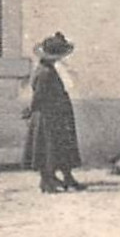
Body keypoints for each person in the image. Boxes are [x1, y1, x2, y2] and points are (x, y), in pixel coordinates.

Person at [22, 32, 85, 194]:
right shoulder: (45, 72)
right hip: (48, 115)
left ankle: (65, 177)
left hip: (58, 113)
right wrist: (31, 110)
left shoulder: (50, 69)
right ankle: (47, 180)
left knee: (61, 146)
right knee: (48, 148)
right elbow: (39, 96)